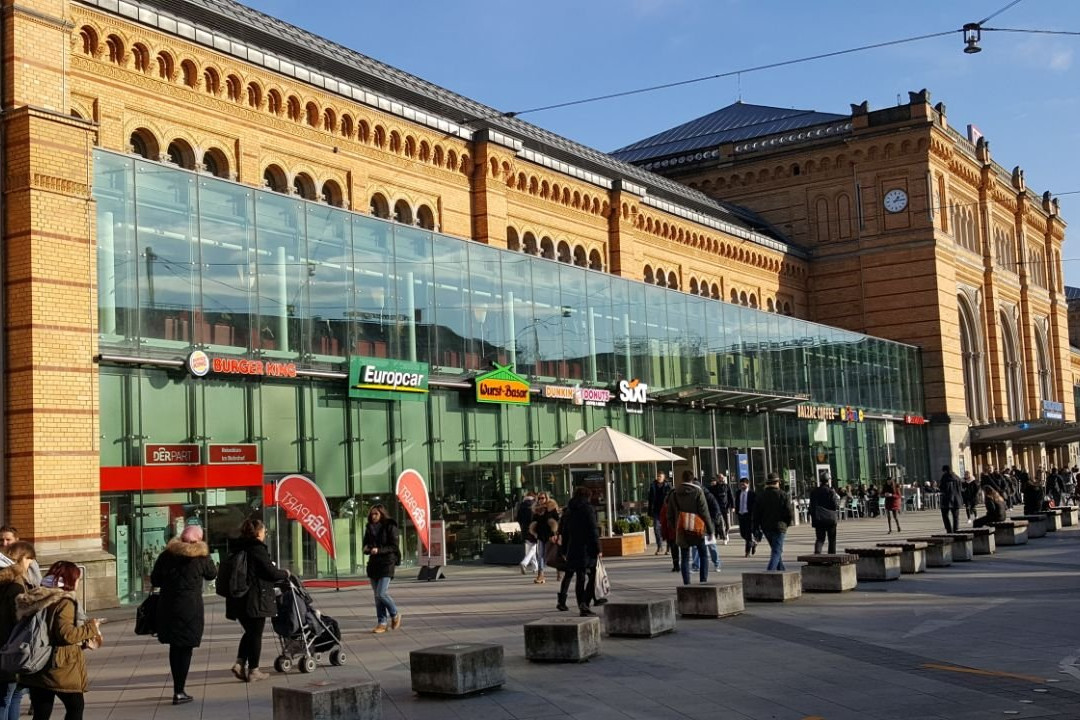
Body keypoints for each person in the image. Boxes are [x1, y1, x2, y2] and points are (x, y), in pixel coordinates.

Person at [18, 561, 101, 720]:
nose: (78, 582)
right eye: (77, 579)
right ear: (70, 579)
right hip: (60, 665)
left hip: (37, 660)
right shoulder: (64, 601)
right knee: (75, 707)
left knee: (41, 712)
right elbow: (66, 635)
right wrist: (91, 627)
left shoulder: (37, 595)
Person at [150, 525, 218, 705]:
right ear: (198, 539)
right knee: (186, 648)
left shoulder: (167, 555)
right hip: (190, 608)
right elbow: (212, 574)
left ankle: (177, 689)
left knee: (175, 647)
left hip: (168, 607)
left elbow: (155, 579)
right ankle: (179, 690)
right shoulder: (201, 556)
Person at [225, 517, 288, 682]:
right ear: (258, 532)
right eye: (264, 530)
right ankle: (254, 670)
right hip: (254, 597)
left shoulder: (236, 547)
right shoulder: (257, 549)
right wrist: (285, 573)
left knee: (250, 632)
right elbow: (271, 573)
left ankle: (240, 663)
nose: (265, 533)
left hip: (237, 598)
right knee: (255, 634)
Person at [0, 541, 35, 720]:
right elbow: (19, 621)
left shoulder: (8, 584)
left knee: (13, 696)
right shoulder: (17, 587)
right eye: (29, 560)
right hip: (12, 649)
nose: (31, 564)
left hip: (7, 648)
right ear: (21, 559)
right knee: (8, 697)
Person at [556, 486, 601, 616]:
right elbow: (593, 530)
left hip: (573, 548)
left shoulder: (569, 510)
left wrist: (564, 549)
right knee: (593, 576)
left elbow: (565, 531)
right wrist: (598, 548)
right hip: (587, 548)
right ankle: (585, 603)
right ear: (587, 496)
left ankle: (581, 604)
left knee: (580, 578)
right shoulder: (588, 509)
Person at [666, 470, 715, 585]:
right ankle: (703, 582)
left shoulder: (674, 493)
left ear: (682, 479)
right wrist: (710, 529)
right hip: (697, 528)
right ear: (692, 479)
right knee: (703, 555)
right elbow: (704, 512)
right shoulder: (698, 491)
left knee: (685, 557)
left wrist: (675, 527)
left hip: (682, 529)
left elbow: (669, 515)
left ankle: (686, 584)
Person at [363, 504, 402, 633]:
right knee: (377, 596)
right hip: (374, 564)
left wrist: (379, 550)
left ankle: (395, 614)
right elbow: (365, 545)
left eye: (376, 514)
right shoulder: (369, 527)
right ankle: (382, 623)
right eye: (372, 514)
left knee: (381, 593)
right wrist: (367, 549)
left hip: (387, 563)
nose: (373, 516)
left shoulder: (390, 526)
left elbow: (394, 547)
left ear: (382, 514)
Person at [753, 473, 793, 571]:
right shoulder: (783, 494)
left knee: (776, 550)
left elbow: (756, 514)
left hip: (766, 527)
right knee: (776, 551)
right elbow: (789, 512)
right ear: (777, 482)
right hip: (780, 527)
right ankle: (769, 573)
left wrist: (756, 527)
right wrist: (786, 523)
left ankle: (782, 572)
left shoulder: (761, 496)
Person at [529, 493, 560, 584]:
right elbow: (533, 521)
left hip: (550, 535)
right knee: (540, 555)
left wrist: (555, 533)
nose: (540, 500)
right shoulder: (536, 510)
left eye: (542, 498)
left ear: (547, 498)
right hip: (541, 535)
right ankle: (540, 575)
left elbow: (557, 520)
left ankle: (559, 571)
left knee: (554, 554)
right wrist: (534, 531)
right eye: (539, 498)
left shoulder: (551, 508)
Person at [692, 479, 722, 572]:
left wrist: (712, 522)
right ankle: (696, 565)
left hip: (708, 523)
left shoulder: (708, 496)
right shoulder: (692, 497)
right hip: (697, 524)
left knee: (711, 546)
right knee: (695, 546)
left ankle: (717, 564)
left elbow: (716, 510)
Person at [808, 474, 840, 554]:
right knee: (832, 540)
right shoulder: (830, 491)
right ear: (828, 481)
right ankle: (831, 557)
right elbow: (834, 505)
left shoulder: (814, 491)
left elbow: (811, 505)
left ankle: (817, 554)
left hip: (818, 518)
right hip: (830, 518)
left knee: (820, 539)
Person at [647, 472, 672, 555]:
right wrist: (649, 511)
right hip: (656, 511)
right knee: (656, 529)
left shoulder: (668, 486)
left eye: (660, 476)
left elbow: (671, 498)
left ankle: (668, 547)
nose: (659, 478)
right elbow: (650, 499)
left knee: (667, 529)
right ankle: (659, 546)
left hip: (666, 510)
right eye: (658, 476)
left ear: (664, 477)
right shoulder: (653, 486)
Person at [516, 490, 538, 575]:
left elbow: (518, 518)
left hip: (524, 528)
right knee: (533, 547)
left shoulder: (521, 505)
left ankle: (535, 567)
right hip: (533, 528)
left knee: (530, 547)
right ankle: (524, 562)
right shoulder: (534, 504)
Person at [709, 473, 735, 544]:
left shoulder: (727, 486)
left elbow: (731, 496)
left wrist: (733, 506)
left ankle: (726, 533)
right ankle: (724, 537)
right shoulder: (714, 488)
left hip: (726, 508)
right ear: (717, 479)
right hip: (718, 508)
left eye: (722, 477)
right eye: (720, 477)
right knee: (721, 524)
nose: (722, 478)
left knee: (728, 525)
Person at [735, 477, 757, 557]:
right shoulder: (738, 493)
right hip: (741, 515)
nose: (742, 486)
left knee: (748, 534)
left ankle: (747, 552)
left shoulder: (752, 494)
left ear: (748, 484)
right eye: (741, 485)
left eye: (743, 485)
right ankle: (753, 543)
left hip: (748, 515)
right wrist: (737, 511)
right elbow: (737, 502)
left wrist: (753, 515)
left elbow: (755, 505)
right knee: (742, 533)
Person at [938, 465, 962, 533]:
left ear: (945, 471)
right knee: (955, 516)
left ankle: (949, 529)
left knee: (945, 515)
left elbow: (942, 488)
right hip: (956, 499)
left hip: (947, 499)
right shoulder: (957, 477)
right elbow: (960, 488)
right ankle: (956, 529)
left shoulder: (945, 477)